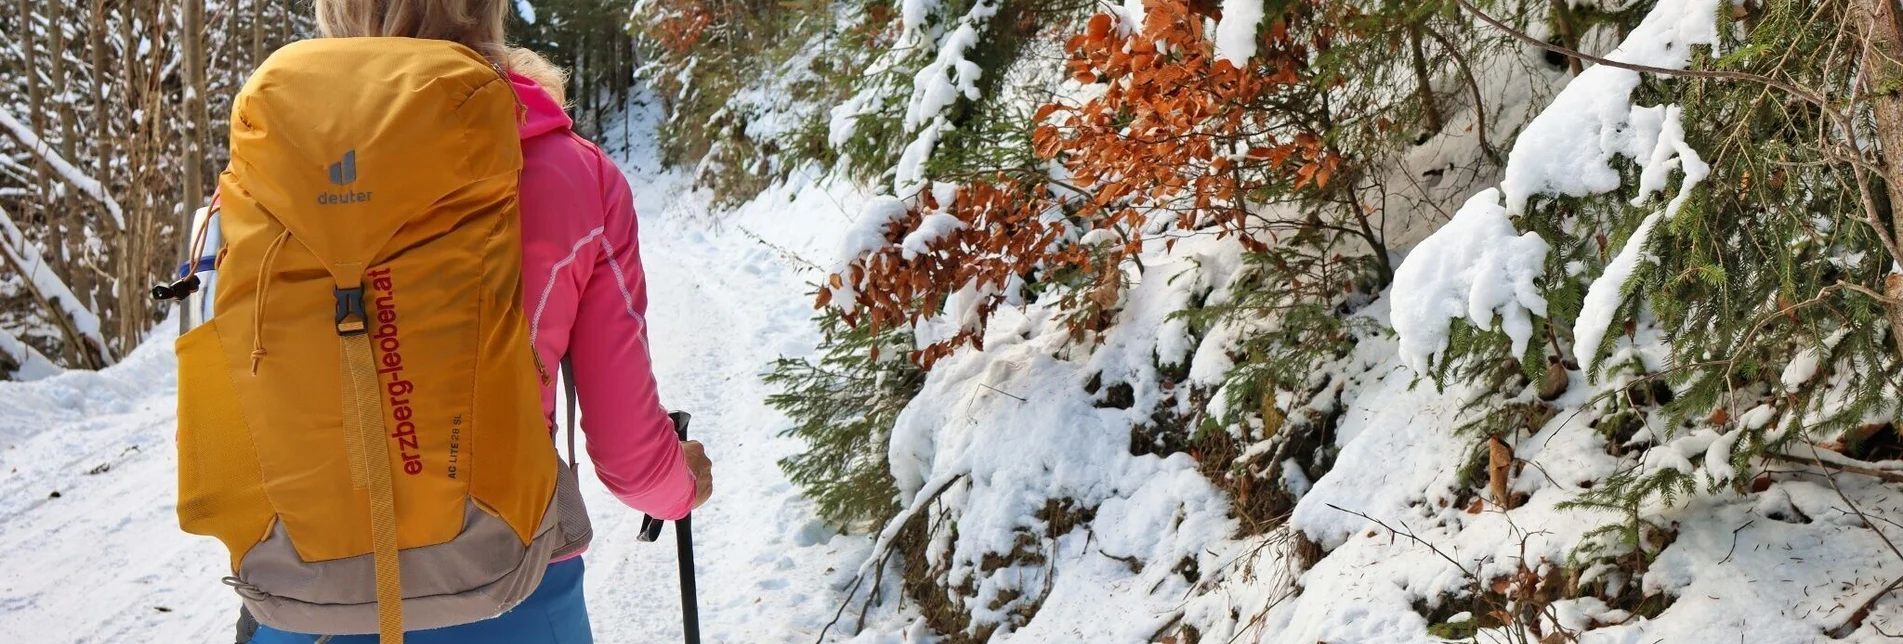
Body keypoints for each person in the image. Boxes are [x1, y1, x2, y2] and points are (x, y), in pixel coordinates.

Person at [238, 1, 715, 642]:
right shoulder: (573, 175)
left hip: (305, 597)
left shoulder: (263, 178)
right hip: (511, 591)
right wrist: (681, 487)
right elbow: (632, 461)